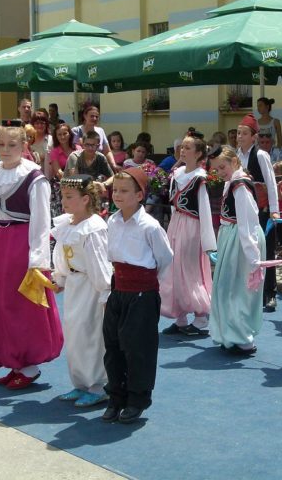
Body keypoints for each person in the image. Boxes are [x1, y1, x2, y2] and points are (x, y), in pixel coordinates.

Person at [0, 124, 63, 390]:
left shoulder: (33, 176)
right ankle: (15, 362)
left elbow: (41, 222)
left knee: (22, 304)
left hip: (23, 244)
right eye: (0, 145)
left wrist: (38, 260)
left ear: (24, 145)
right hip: (1, 242)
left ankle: (30, 365)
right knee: (1, 302)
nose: (5, 150)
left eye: (12, 145)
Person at [102, 168, 173, 424]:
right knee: (113, 347)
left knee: (138, 348)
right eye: (115, 190)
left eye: (124, 191)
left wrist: (148, 287)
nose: (117, 195)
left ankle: (137, 399)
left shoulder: (150, 226)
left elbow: (165, 259)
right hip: (118, 289)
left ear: (140, 195)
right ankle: (116, 396)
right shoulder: (112, 221)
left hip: (142, 293)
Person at [51, 175, 112, 408]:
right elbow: (62, 255)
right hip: (75, 285)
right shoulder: (68, 224)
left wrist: (105, 292)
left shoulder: (93, 228)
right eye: (63, 196)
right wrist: (61, 278)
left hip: (91, 287)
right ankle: (81, 383)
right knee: (75, 333)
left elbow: (99, 263)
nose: (64, 201)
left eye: (69, 197)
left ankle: (98, 386)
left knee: (91, 334)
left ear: (86, 199)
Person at [208, 146, 265, 356]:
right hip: (231, 235)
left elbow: (247, 222)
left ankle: (242, 337)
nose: (220, 172)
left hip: (241, 239)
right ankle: (231, 333)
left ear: (234, 161)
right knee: (227, 288)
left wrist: (253, 256)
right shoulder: (231, 183)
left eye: (222, 167)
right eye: (216, 169)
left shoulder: (240, 185)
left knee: (238, 288)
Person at [159, 134, 216, 336]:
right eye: (182, 147)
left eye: (188, 148)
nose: (182, 151)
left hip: (193, 226)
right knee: (173, 268)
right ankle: (180, 317)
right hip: (176, 223)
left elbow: (205, 209)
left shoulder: (200, 178)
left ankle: (201, 317)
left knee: (190, 269)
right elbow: (174, 206)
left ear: (199, 154)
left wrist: (209, 243)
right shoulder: (177, 173)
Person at [237, 114, 280, 312]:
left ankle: (270, 292)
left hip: (262, 211)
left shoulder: (261, 155)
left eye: (244, 133)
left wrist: (274, 211)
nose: (240, 136)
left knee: (266, 250)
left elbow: (271, 184)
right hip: (244, 212)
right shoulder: (235, 157)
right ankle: (251, 289)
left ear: (254, 136)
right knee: (246, 250)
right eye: (238, 133)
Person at [71, 103, 118, 172]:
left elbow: (107, 151)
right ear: (85, 116)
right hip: (81, 168)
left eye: (97, 116)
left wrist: (113, 165)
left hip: (99, 168)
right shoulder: (76, 131)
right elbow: (76, 150)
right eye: (92, 116)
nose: (94, 118)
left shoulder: (100, 131)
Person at [48, 123, 81, 218]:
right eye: (59, 134)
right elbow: (58, 172)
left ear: (69, 134)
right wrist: (72, 183)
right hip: (61, 185)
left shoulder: (78, 148)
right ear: (56, 136)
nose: (62, 136)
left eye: (65, 133)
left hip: (79, 182)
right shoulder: (54, 151)